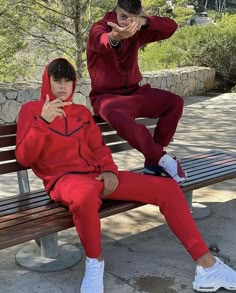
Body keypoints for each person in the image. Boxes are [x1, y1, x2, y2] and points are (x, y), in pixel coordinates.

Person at [15, 58, 236, 293]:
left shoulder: (80, 112)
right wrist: (43, 122)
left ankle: (208, 267)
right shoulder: (31, 111)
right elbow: (24, 158)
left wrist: (110, 170)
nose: (62, 86)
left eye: (67, 81)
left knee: (168, 189)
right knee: (84, 197)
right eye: (57, 80)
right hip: (64, 181)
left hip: (97, 176)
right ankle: (95, 263)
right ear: (46, 82)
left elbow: (99, 148)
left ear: (73, 84)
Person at [87, 0, 186, 184]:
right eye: (123, 16)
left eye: (131, 19)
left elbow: (171, 27)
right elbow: (99, 42)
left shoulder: (137, 30)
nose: (126, 23)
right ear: (115, 11)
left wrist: (145, 22)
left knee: (175, 103)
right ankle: (161, 158)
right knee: (123, 119)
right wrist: (114, 37)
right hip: (105, 98)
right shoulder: (99, 27)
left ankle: (151, 162)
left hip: (134, 93)